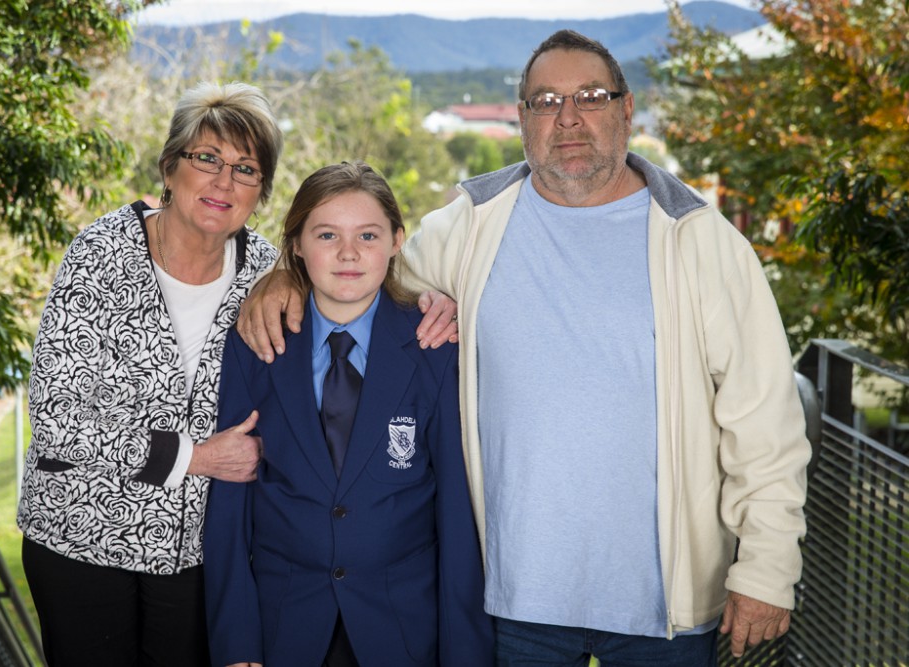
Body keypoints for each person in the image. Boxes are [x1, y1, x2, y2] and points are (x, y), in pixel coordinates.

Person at [238, 30, 812, 667]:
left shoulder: (699, 240)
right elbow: (359, 273)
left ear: (626, 110)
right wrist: (283, 280)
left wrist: (767, 568)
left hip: (663, 610)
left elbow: (764, 419)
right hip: (513, 602)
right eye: (546, 101)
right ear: (522, 119)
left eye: (589, 97)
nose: (568, 118)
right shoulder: (470, 225)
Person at [15, 81, 285, 666]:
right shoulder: (100, 254)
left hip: (199, 552)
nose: (223, 182)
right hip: (81, 536)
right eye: (207, 158)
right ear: (170, 166)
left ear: (260, 191)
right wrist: (196, 458)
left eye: (245, 169)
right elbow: (58, 419)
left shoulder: (266, 271)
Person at [204, 161, 493, 667]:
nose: (348, 253)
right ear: (296, 244)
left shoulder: (434, 346)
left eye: (368, 235)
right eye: (326, 235)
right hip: (284, 626)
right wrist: (236, 641)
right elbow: (230, 502)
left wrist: (465, 652)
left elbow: (455, 509)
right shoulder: (256, 344)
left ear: (397, 240)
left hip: (403, 629)